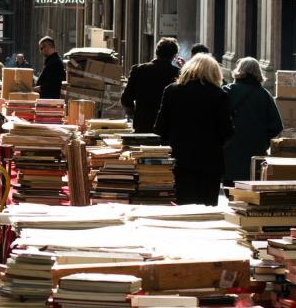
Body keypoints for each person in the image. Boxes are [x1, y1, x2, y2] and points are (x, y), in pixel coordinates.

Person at [154, 53, 235, 206]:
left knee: (183, 206)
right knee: (207, 208)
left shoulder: (172, 91)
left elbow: (160, 127)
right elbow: (227, 131)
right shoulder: (219, 95)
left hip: (179, 160)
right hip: (210, 162)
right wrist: (216, 145)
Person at [222, 57, 283, 183]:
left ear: (239, 71)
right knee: (252, 187)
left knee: (231, 187)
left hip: (231, 148)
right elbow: (276, 126)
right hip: (256, 150)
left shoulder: (228, 91)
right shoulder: (264, 94)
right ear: (258, 72)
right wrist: (262, 138)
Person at [121, 37, 180, 133]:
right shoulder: (177, 74)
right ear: (174, 56)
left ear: (156, 52)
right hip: (168, 129)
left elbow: (126, 99)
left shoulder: (139, 70)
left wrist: (136, 114)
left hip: (142, 126)